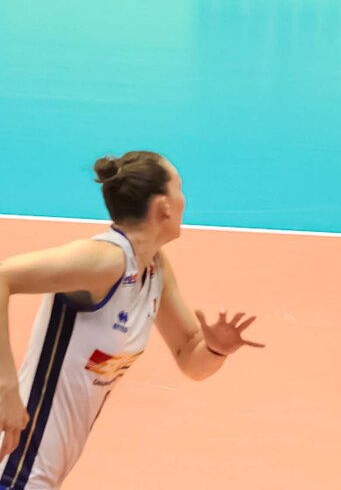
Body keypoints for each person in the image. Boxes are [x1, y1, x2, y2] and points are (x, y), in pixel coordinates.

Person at [0, 151, 262, 489]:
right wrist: (6, 388)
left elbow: (190, 358)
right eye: (180, 188)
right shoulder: (105, 260)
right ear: (164, 206)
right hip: (16, 469)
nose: (185, 199)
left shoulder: (153, 268)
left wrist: (216, 348)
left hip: (43, 473)